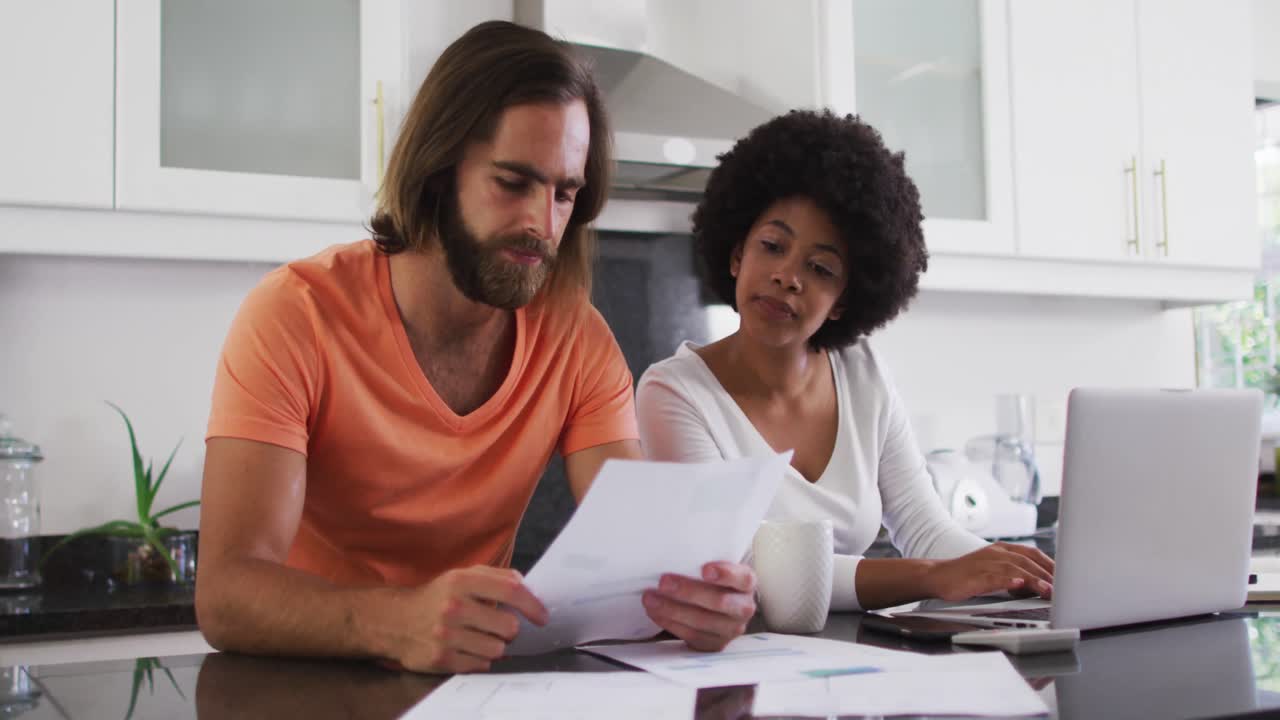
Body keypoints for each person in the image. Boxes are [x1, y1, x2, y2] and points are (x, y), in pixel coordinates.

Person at [195, 21, 756, 674]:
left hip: (470, 686)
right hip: (306, 684)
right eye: (513, 183)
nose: (542, 225)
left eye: (564, 194)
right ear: (439, 171)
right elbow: (228, 593)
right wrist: (397, 619)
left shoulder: (576, 340)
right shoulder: (295, 315)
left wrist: (697, 600)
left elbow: (640, 555)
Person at [636, 110, 1054, 611]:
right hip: (741, 674)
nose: (787, 277)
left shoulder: (862, 373)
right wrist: (932, 577)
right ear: (736, 256)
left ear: (842, 300)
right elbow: (744, 567)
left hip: (850, 666)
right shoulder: (674, 393)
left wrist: (1021, 578)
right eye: (772, 246)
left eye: (819, 267)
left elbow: (926, 529)